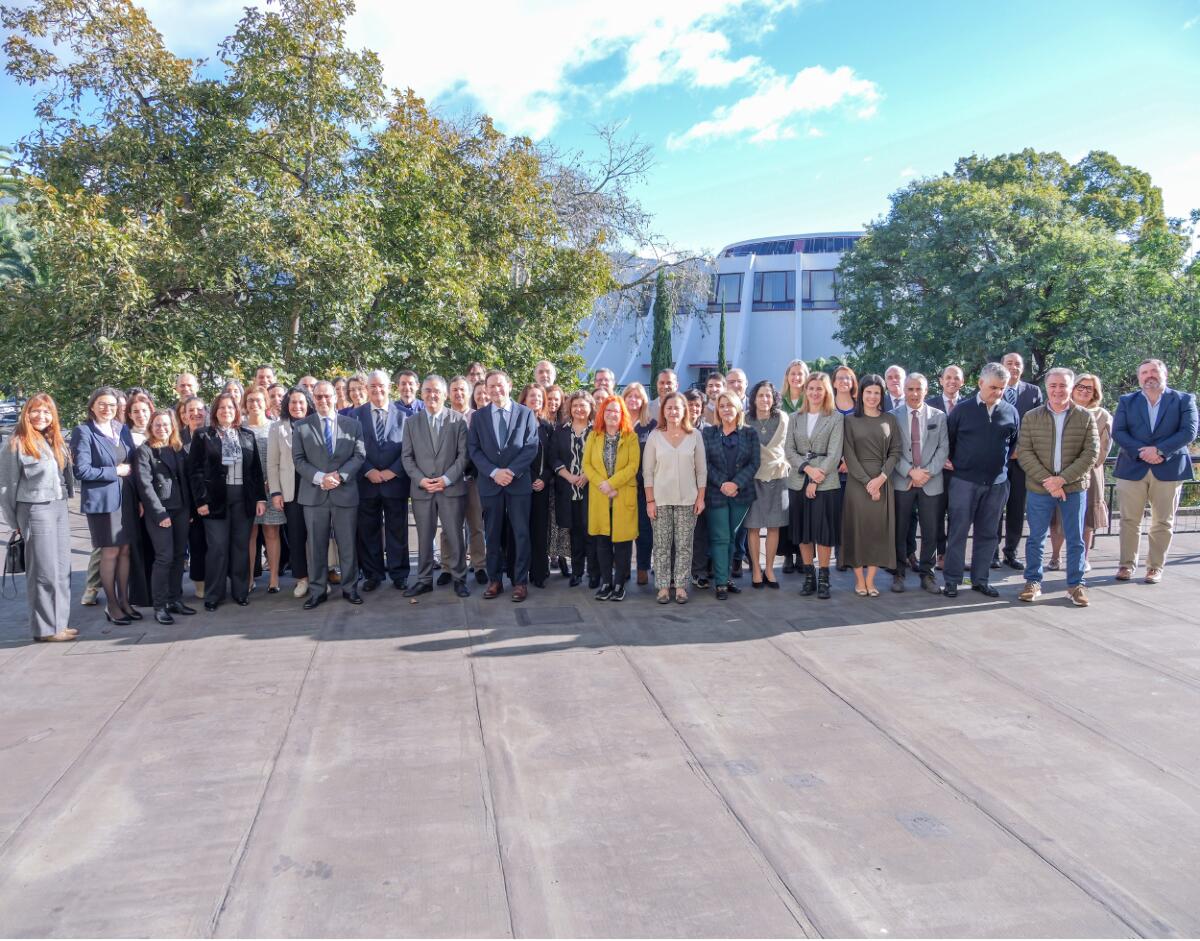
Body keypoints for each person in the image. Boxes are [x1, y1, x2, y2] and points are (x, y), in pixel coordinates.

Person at [1016, 368, 1100, 606]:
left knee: (1075, 539)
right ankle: (1033, 581)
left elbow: (1091, 454)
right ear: (1046, 387)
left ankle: (1075, 585)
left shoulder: (1085, 417)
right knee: (1036, 538)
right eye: (1053, 385)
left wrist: (1062, 480)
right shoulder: (1032, 417)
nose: (1057, 390)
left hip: (1073, 489)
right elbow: (1025, 453)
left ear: (1071, 387)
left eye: (1063, 385)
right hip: (1040, 489)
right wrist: (1049, 482)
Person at [1112, 358, 1199, 584]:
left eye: (1153, 371)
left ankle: (1155, 568)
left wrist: (1160, 450)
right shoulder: (1127, 401)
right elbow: (1119, 432)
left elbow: (1188, 432)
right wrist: (1142, 452)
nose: (1149, 375)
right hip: (1132, 466)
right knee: (1129, 520)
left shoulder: (1184, 399)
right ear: (1139, 377)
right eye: (1144, 373)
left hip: (1169, 468)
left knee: (1163, 521)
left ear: (1164, 374)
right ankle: (1126, 565)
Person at [0, 394, 77, 641]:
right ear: (26, 413)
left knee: (62, 568)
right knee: (44, 571)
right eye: (36, 411)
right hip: (34, 509)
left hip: (58, 505)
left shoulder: (53, 439)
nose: (41, 416)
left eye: (46, 412)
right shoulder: (16, 443)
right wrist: (15, 523)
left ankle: (59, 624)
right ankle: (45, 630)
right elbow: (6, 487)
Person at [943, 363, 1020, 598]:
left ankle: (981, 579)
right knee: (958, 531)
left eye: (1002, 388)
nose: (997, 392)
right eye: (993, 387)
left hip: (997, 484)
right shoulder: (962, 410)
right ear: (980, 383)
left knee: (988, 534)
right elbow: (950, 441)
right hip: (964, 481)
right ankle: (952, 581)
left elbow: (1013, 445)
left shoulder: (1011, 412)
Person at [187, 393, 266, 610]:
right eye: (221, 408)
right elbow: (194, 472)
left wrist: (260, 498)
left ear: (236, 411)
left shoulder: (247, 435)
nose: (226, 411)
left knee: (241, 547)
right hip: (214, 502)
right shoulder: (203, 436)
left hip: (244, 500)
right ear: (215, 412)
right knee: (218, 548)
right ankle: (214, 595)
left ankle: (240, 592)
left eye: (230, 408)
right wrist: (200, 501)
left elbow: (256, 471)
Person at [467, 369, 541, 602]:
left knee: (521, 533)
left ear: (509, 385)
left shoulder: (526, 413)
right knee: (493, 534)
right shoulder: (478, 417)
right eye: (491, 387)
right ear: (485, 390)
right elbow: (474, 450)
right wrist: (494, 472)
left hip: (518, 484)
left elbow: (531, 446)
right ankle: (494, 580)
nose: (496, 390)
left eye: (500, 385)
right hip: (490, 484)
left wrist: (511, 471)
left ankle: (520, 582)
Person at [292, 380, 367, 608]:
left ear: (336, 396)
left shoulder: (352, 425)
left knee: (347, 545)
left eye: (327, 396)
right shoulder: (302, 426)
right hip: (314, 495)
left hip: (344, 493)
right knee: (315, 546)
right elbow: (298, 459)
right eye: (318, 397)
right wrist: (320, 478)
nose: (323, 400)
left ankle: (349, 588)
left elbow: (359, 455)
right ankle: (317, 591)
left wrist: (340, 476)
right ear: (313, 400)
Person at [71, 387, 140, 625]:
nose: (107, 409)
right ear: (92, 406)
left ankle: (124, 601)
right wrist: (114, 471)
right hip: (103, 503)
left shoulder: (121, 429)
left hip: (126, 500)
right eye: (102, 404)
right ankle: (111, 604)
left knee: (125, 551)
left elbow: (132, 462)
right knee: (110, 552)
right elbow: (81, 470)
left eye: (111, 405)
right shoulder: (83, 431)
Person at [401, 375, 471, 598]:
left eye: (437, 391)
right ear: (422, 394)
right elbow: (407, 457)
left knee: (455, 535)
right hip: (422, 490)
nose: (432, 395)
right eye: (428, 391)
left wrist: (446, 479)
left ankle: (459, 578)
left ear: (444, 395)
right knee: (424, 537)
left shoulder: (458, 420)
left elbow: (463, 456)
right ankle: (423, 580)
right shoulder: (411, 422)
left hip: (450, 488)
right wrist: (421, 480)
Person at [784, 372, 844, 600]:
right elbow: (789, 450)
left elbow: (835, 452)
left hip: (826, 482)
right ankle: (809, 577)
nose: (815, 392)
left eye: (820, 388)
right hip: (799, 481)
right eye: (811, 389)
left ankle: (824, 579)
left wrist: (815, 479)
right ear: (805, 391)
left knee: (824, 532)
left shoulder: (836, 418)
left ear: (827, 391)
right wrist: (807, 471)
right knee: (803, 533)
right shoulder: (794, 417)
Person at [841, 374, 902, 596]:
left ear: (881, 396)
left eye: (877, 393)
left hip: (883, 481)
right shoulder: (849, 421)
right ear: (861, 394)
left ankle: (871, 579)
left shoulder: (890, 419)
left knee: (878, 531)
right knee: (858, 530)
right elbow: (848, 453)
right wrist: (868, 482)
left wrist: (881, 479)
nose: (873, 396)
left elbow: (895, 451)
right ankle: (858, 580)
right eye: (868, 392)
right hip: (857, 483)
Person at [643, 391, 705, 604]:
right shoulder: (655, 436)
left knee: (684, 545)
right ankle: (662, 587)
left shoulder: (695, 435)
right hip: (660, 500)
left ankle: (680, 586)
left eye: (677, 408)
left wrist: (701, 498)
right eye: (668, 408)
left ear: (684, 411)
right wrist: (650, 501)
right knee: (661, 545)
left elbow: (701, 471)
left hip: (688, 500)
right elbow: (648, 472)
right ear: (663, 411)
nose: (672, 411)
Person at [890, 373, 949, 594]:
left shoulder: (939, 416)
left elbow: (944, 449)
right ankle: (898, 573)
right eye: (910, 389)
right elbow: (892, 450)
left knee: (931, 530)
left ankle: (928, 574)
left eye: (919, 389)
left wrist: (926, 473)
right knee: (899, 528)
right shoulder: (892, 417)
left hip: (931, 481)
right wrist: (909, 472)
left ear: (926, 391)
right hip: (902, 480)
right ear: (904, 391)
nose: (914, 394)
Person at [134, 409, 194, 623]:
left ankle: (174, 599)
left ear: (172, 427)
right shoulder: (144, 451)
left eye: (166, 425)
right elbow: (145, 486)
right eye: (158, 425)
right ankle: (159, 606)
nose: (162, 428)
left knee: (179, 556)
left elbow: (185, 480)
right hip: (160, 512)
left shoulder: (177, 448)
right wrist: (159, 513)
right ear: (151, 427)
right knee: (164, 558)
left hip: (181, 509)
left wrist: (190, 510)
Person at [353, 369, 411, 592]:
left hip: (395, 482)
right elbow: (352, 448)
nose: (377, 390)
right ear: (367, 389)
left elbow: (408, 449)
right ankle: (373, 574)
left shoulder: (405, 415)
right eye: (373, 386)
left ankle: (399, 574)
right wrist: (368, 471)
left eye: (381, 385)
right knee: (369, 531)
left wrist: (392, 472)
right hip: (366, 482)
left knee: (398, 530)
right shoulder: (355, 416)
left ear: (389, 388)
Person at [1049, 373, 1111, 570]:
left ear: (1095, 393)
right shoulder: (1060, 410)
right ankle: (1056, 556)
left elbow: (1102, 450)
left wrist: (1077, 468)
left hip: (1089, 474)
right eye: (1080, 386)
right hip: (1059, 474)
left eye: (1089, 388)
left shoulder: (1103, 416)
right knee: (1058, 516)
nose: (1084, 391)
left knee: (1086, 518)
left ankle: (1082, 559)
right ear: (1072, 389)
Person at [702, 392, 760, 600]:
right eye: (722, 405)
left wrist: (736, 483)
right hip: (715, 493)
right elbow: (704, 464)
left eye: (730, 405)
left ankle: (725, 577)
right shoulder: (708, 434)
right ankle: (720, 583)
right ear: (717, 409)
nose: (726, 409)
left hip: (741, 493)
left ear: (738, 408)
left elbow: (754, 463)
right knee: (720, 537)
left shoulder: (750, 433)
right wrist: (723, 483)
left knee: (732, 537)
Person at [583, 395, 640, 601]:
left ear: (622, 414)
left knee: (623, 544)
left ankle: (619, 585)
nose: (612, 415)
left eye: (616, 411)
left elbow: (633, 466)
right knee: (602, 542)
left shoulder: (630, 437)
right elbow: (587, 465)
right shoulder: (594, 436)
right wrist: (604, 485)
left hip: (622, 495)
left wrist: (612, 484)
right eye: (608, 411)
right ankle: (606, 582)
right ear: (602, 414)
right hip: (600, 496)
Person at [997, 351, 1044, 568]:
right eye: (1009, 363)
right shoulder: (993, 390)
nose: (1013, 367)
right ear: (1002, 366)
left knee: (1017, 509)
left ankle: (1011, 553)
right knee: (994, 508)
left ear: (1022, 368)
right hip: (996, 461)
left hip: (1022, 462)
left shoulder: (1033, 392)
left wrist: (1020, 449)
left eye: (1017, 364)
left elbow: (1039, 426)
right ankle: (991, 554)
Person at [439, 376, 487, 585]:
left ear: (469, 393)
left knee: (476, 525)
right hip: (448, 481)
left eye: (462, 390)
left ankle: (479, 565)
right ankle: (448, 567)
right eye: (454, 390)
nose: (458, 394)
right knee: (449, 526)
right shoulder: (442, 417)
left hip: (474, 480)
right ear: (449, 394)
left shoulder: (479, 417)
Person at [268, 387, 314, 599]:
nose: (297, 406)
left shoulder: (317, 423)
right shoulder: (278, 428)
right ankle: (301, 578)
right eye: (293, 402)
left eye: (301, 402)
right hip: (291, 489)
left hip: (315, 486)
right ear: (287, 405)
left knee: (317, 534)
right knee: (296, 535)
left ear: (308, 404)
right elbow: (273, 464)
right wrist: (276, 492)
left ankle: (319, 575)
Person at [744, 380, 789, 588]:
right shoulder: (745, 419)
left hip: (777, 476)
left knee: (774, 525)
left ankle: (769, 569)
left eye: (768, 395)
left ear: (774, 399)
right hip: (753, 477)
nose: (764, 399)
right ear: (753, 398)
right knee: (753, 526)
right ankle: (755, 569)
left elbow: (786, 446)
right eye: (760, 395)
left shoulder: (782, 418)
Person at [509, 384, 554, 588]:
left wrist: (544, 478)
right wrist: (528, 478)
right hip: (519, 484)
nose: (535, 399)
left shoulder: (546, 426)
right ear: (523, 400)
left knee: (539, 530)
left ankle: (538, 573)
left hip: (541, 487)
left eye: (539, 396)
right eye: (531, 396)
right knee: (519, 530)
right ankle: (517, 573)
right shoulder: (514, 424)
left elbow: (552, 457)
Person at [552, 390, 597, 588]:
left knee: (593, 533)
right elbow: (554, 458)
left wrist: (588, 475)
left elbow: (602, 458)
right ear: (570, 408)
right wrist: (569, 476)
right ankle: (577, 572)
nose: (579, 409)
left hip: (592, 490)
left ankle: (595, 573)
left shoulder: (597, 431)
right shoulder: (561, 430)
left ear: (590, 408)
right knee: (576, 534)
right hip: (568, 491)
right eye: (575, 405)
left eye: (583, 405)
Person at [242, 388, 283, 593]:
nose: (254, 404)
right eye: (250, 400)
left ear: (266, 403)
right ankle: (249, 578)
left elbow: (279, 458)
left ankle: (274, 579)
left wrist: (272, 482)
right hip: (246, 491)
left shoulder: (274, 427)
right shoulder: (238, 427)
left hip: (270, 487)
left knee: (271, 531)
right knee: (249, 533)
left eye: (258, 400)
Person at [926, 365, 965, 568]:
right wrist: (939, 460)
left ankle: (954, 554)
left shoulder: (969, 406)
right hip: (935, 469)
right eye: (948, 377)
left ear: (963, 382)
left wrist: (956, 461)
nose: (952, 381)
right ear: (941, 380)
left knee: (958, 514)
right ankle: (940, 554)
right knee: (937, 514)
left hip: (960, 471)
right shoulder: (929, 404)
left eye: (956, 378)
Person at [622, 381, 655, 586]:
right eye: (629, 396)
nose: (633, 400)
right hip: (622, 485)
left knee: (644, 529)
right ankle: (624, 567)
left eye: (637, 396)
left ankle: (643, 567)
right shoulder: (618, 423)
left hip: (644, 486)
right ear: (624, 398)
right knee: (624, 528)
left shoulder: (651, 425)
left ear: (644, 400)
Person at [177, 394, 208, 598]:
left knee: (215, 544)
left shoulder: (213, 434)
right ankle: (200, 584)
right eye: (191, 411)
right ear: (184, 416)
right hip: (189, 503)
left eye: (199, 410)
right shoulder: (177, 439)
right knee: (196, 544)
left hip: (213, 500)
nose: (196, 414)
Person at [684, 388, 712, 588]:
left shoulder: (709, 430)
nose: (693, 408)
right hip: (680, 488)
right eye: (690, 404)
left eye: (697, 405)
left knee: (700, 532)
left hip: (703, 489)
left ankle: (699, 571)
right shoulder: (675, 429)